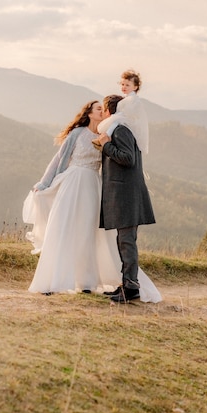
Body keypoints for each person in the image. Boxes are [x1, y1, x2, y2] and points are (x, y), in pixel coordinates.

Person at [23, 99, 161, 302]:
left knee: (89, 233)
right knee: (62, 229)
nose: (102, 111)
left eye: (103, 109)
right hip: (73, 183)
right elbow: (59, 159)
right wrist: (45, 183)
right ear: (89, 113)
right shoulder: (77, 134)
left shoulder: (105, 136)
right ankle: (52, 280)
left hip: (92, 188)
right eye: (98, 109)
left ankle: (86, 282)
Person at [98, 94, 156, 303]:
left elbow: (127, 159)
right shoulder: (119, 128)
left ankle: (131, 289)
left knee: (127, 242)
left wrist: (106, 145)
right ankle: (126, 284)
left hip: (127, 197)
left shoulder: (121, 130)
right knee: (124, 241)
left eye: (103, 110)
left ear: (108, 112)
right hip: (124, 197)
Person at [92, 69, 149, 154]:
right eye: (122, 84)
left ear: (135, 87)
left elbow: (129, 112)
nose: (124, 87)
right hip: (126, 117)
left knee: (115, 121)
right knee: (115, 121)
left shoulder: (132, 99)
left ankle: (106, 137)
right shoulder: (127, 98)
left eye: (127, 85)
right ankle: (105, 137)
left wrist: (117, 116)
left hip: (130, 120)